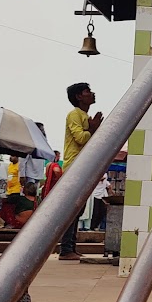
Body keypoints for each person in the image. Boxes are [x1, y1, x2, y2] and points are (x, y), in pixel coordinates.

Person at [58, 81, 102, 260]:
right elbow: (81, 138)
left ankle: (70, 247)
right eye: (87, 91)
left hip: (82, 166)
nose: (91, 93)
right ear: (78, 96)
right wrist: (92, 129)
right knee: (72, 209)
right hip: (74, 166)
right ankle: (66, 249)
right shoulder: (74, 114)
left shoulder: (83, 115)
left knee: (78, 209)